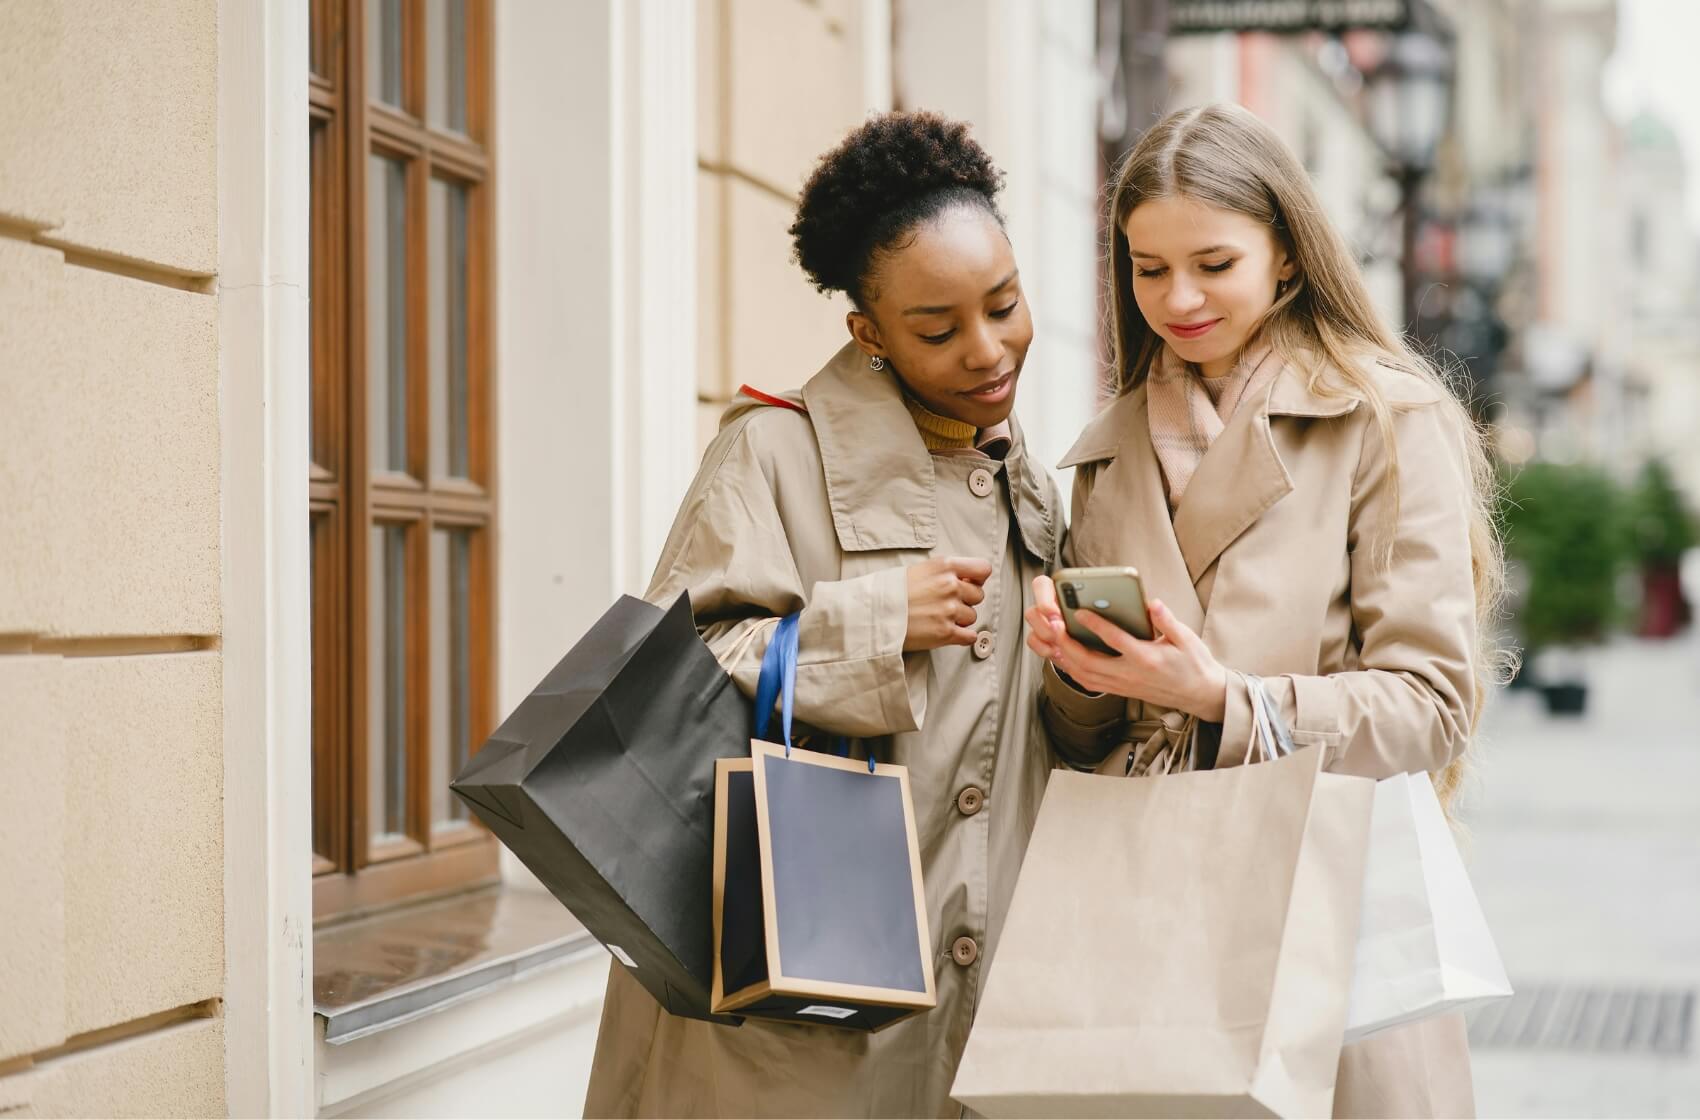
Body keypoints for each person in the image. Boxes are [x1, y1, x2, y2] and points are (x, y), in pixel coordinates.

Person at [1024, 103, 1505, 1117]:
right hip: (1147, 916)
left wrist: (1223, 698)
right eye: (1147, 269)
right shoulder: (1105, 452)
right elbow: (1084, 736)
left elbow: (1430, 704)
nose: (1177, 297)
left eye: (1211, 263)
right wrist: (1075, 674)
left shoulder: (1381, 417)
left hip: (1325, 902)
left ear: (1284, 256)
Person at [585, 111, 1064, 1118]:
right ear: (869, 331)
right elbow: (669, 683)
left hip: (984, 1002)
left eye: (1005, 304)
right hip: (796, 1010)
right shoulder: (768, 453)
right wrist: (876, 617)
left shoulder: (1021, 476)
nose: (986, 351)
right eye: (936, 329)